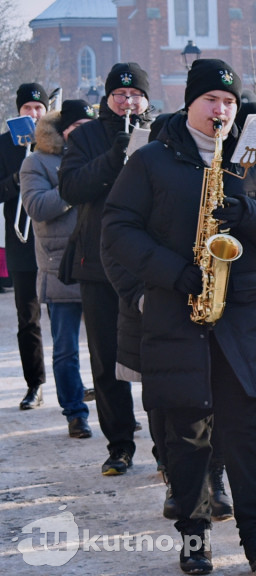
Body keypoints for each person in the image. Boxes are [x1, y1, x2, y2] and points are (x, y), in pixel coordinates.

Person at [102, 58, 256, 572]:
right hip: (178, 310)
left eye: (230, 102)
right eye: (212, 100)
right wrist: (172, 271)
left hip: (243, 312)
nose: (222, 110)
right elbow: (116, 229)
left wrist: (248, 211)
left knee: (246, 432)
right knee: (186, 434)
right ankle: (194, 538)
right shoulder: (151, 162)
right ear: (189, 103)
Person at [60, 63, 148, 476]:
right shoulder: (87, 136)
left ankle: (167, 442)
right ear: (107, 98)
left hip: (150, 263)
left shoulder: (164, 131)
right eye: (120, 95)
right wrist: (113, 157)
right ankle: (120, 444)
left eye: (135, 95)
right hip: (96, 262)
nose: (128, 101)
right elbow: (71, 188)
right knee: (106, 358)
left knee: (159, 353)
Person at [19, 99, 94, 437]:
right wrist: (74, 184)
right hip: (59, 265)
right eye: (75, 129)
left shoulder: (98, 158)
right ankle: (75, 413)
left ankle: (113, 407)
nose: (81, 135)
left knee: (108, 348)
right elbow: (37, 206)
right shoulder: (37, 161)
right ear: (61, 132)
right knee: (66, 350)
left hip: (99, 264)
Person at [1, 83, 48, 411]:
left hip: (54, 240)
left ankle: (74, 385)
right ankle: (35, 384)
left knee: (65, 315)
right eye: (27, 108)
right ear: (18, 111)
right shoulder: (4, 145)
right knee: (27, 317)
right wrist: (19, 176)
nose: (33, 114)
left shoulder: (56, 142)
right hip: (20, 240)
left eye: (38, 108)